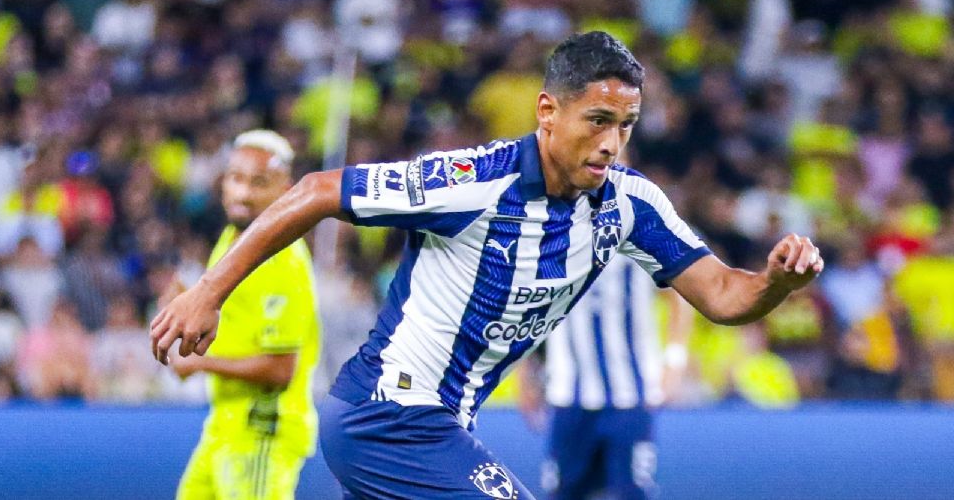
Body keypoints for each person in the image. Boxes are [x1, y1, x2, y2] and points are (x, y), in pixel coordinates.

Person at [152, 32, 824, 500]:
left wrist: (776, 284)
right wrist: (207, 292)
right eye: (597, 120)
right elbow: (317, 192)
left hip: (438, 425)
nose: (613, 142)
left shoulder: (630, 205)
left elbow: (724, 295)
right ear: (547, 112)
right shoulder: (473, 181)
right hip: (388, 415)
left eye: (627, 124)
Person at [165, 130, 321, 500]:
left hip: (262, 430)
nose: (243, 193)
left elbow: (281, 369)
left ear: (285, 191)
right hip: (225, 425)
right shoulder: (234, 240)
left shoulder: (282, 260)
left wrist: (200, 364)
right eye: (236, 178)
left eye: (259, 182)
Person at [519, 253, 694, 500]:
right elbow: (530, 306)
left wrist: (674, 361)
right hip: (568, 392)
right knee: (563, 491)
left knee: (632, 491)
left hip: (631, 394)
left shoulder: (637, 233)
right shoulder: (553, 238)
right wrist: (526, 375)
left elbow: (678, 294)